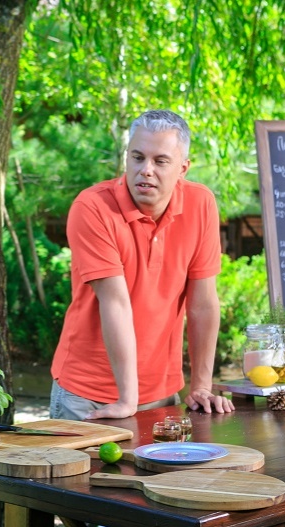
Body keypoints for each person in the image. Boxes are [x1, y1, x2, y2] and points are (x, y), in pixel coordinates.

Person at [50, 109, 234, 420]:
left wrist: (201, 386)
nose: (145, 170)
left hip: (163, 395)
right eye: (137, 157)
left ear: (183, 168)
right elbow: (116, 303)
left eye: (160, 161)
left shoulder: (201, 204)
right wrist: (127, 400)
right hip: (88, 397)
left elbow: (202, 304)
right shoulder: (92, 207)